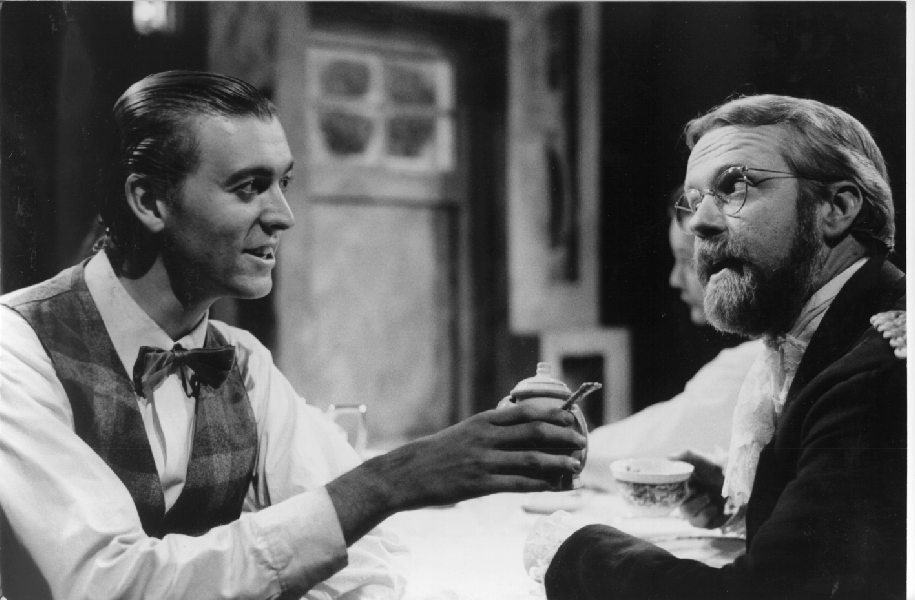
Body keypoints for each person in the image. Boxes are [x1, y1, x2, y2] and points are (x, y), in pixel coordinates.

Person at [0, 71, 585, 600]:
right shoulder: (18, 350)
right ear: (150, 201)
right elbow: (106, 584)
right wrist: (394, 478)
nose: (283, 215)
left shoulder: (242, 363)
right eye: (249, 187)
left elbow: (362, 551)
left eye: (283, 182)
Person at [544, 95, 905, 600]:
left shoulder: (876, 375)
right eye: (694, 200)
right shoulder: (838, 338)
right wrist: (757, 503)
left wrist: (579, 554)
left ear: (838, 208)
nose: (699, 224)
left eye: (736, 186)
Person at [582, 189, 762, 492]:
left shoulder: (756, 362)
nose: (675, 279)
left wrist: (568, 448)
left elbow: (663, 442)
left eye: (687, 261)